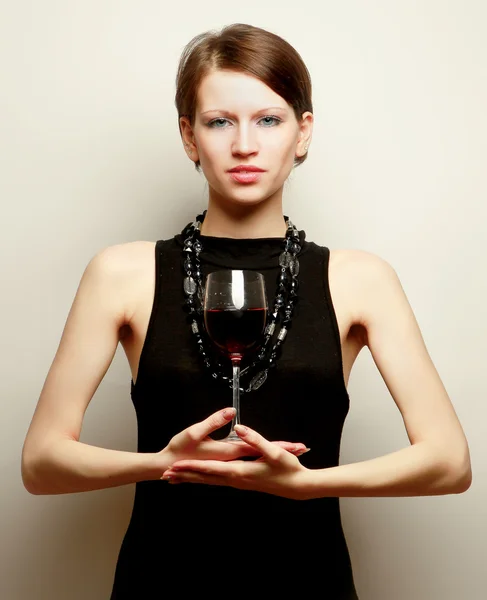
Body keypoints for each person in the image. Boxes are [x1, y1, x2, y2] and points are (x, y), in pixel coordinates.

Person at [21, 23, 471, 600]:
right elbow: (42, 464)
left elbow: (450, 463)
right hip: (162, 581)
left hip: (310, 581)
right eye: (218, 122)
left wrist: (309, 486)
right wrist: (159, 462)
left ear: (303, 133)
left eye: (269, 119)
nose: (244, 145)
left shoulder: (361, 279)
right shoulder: (121, 274)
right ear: (189, 137)